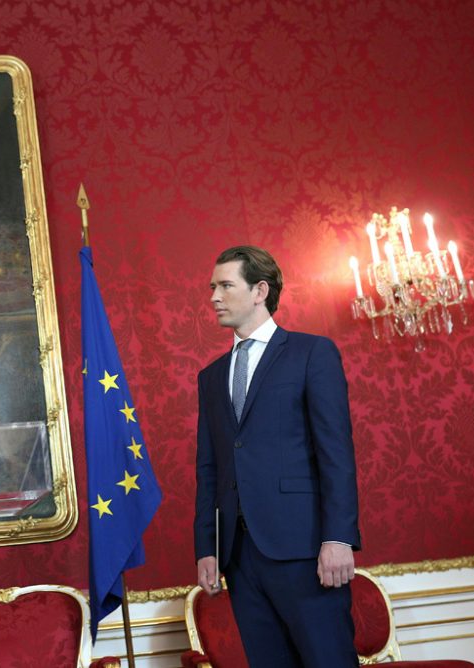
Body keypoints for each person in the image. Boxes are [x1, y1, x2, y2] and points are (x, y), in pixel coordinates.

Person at [193, 246, 361, 668]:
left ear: (259, 291)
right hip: (238, 555)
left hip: (305, 548)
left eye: (225, 285)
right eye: (212, 286)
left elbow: (335, 452)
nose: (213, 296)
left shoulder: (311, 353)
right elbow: (209, 468)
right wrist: (207, 548)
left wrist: (338, 538)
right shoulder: (210, 377)